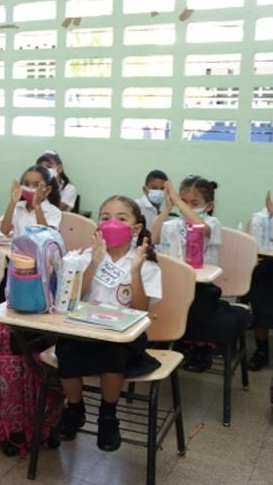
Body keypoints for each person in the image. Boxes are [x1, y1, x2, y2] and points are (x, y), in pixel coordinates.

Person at [56, 196, 161, 452]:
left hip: (124, 337)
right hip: (84, 331)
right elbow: (72, 298)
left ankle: (108, 416)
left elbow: (139, 311)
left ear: (136, 229)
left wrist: (135, 271)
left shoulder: (146, 265)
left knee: (113, 353)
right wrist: (94, 261)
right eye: (105, 218)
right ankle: (75, 408)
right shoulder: (82, 257)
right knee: (65, 347)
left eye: (121, 218)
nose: (112, 223)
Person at [152, 176, 222, 372]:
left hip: (202, 284)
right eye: (183, 201)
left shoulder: (212, 222)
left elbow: (200, 228)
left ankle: (202, 349)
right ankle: (164, 340)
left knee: (200, 303)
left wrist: (178, 199)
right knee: (157, 296)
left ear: (208, 205)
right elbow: (153, 237)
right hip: (176, 281)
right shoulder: (175, 224)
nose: (186, 207)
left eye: (194, 203)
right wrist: (167, 209)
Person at [243, 191, 273, 370]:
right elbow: (251, 242)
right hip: (266, 264)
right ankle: (262, 351)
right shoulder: (260, 218)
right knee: (261, 300)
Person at [0, 165, 63, 238]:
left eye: (36, 185)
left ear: (47, 190)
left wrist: (37, 206)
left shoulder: (54, 212)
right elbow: (4, 230)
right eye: (26, 184)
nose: (30, 188)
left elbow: (45, 237)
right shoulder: (18, 207)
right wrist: (12, 202)